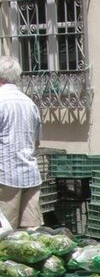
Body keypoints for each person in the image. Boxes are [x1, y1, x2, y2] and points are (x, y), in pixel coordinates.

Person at [0, 55, 43, 230]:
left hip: (5, 175)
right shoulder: (29, 103)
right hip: (30, 174)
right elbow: (36, 141)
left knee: (4, 236)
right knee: (30, 238)